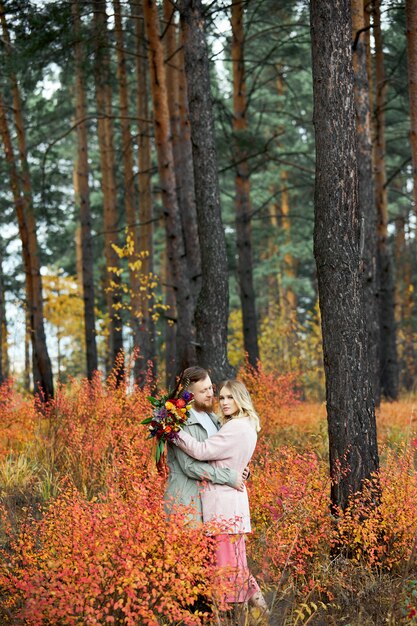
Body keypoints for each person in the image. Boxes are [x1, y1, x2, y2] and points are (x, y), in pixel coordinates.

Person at [173, 379, 269, 614]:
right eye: (222, 397)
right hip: (232, 506)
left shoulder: (235, 427)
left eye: (230, 397)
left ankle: (233, 616)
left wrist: (173, 432)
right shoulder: (245, 424)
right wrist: (243, 469)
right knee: (238, 567)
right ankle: (267, 614)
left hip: (224, 507)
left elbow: (202, 451)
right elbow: (236, 459)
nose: (224, 402)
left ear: (241, 399)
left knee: (227, 572)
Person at [164, 366, 246, 524]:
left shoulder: (213, 417)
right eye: (203, 391)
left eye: (210, 388)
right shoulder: (179, 421)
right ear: (189, 395)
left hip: (211, 501)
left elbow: (219, 453)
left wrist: (239, 469)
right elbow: (189, 466)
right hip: (186, 503)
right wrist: (228, 476)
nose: (210, 394)